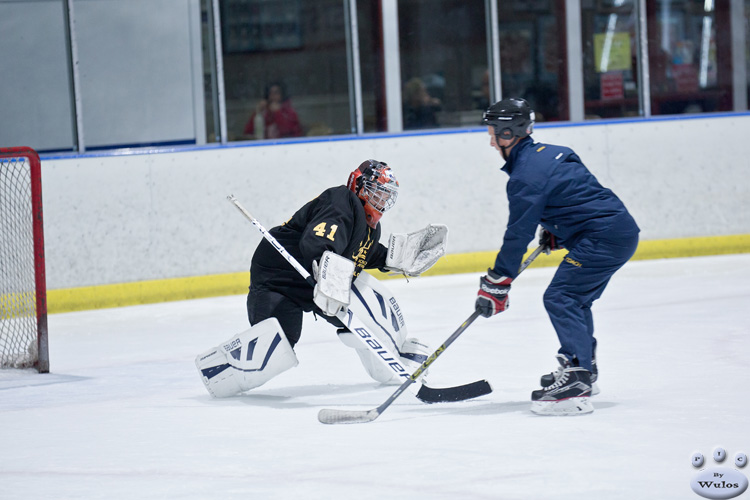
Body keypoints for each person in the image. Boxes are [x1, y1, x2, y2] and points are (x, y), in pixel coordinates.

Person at [196, 160, 448, 397]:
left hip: (314, 285)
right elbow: (316, 243)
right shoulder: (342, 201)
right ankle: (218, 368)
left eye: (386, 195)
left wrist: (398, 258)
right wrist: (331, 278)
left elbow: (365, 254)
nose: (381, 200)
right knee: (273, 350)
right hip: (279, 278)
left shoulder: (370, 228)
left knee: (372, 301)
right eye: (376, 192)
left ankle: (398, 360)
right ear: (358, 185)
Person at [474, 97, 639, 416]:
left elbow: (518, 234)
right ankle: (581, 367)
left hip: (602, 238)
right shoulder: (553, 153)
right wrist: (560, 229)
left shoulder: (525, 175)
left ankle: (575, 382)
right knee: (575, 299)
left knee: (561, 297)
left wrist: (498, 281)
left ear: (509, 134)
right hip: (619, 231)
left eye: (494, 132)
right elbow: (578, 193)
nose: (491, 140)